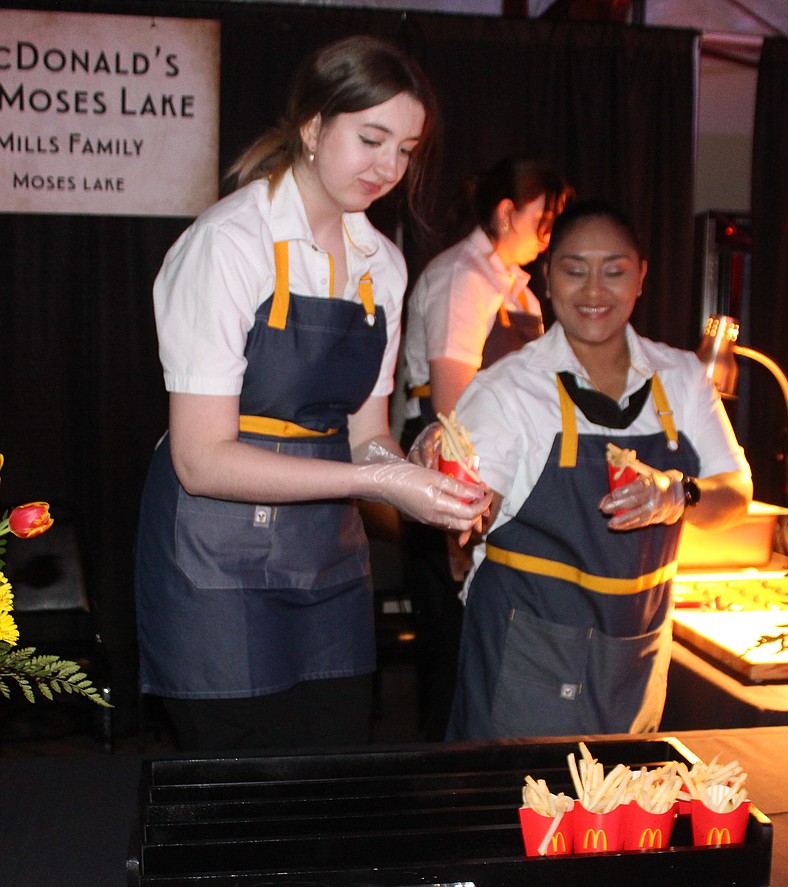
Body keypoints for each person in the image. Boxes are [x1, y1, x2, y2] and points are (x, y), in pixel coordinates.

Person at [134, 35, 491, 752]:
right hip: (216, 565)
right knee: (240, 803)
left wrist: (418, 472)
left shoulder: (381, 265)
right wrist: (377, 481)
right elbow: (201, 460)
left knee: (326, 785)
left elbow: (367, 433)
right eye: (372, 138)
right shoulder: (229, 245)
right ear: (311, 127)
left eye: (407, 148)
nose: (390, 167)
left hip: (327, 564)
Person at [439, 200, 753, 741]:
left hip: (634, 654)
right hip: (527, 655)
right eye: (574, 269)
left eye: (614, 270)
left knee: (621, 815)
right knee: (515, 815)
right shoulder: (508, 388)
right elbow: (461, 527)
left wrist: (678, 493)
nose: (594, 290)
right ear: (548, 276)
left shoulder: (681, 377)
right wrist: (457, 500)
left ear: (641, 277)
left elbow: (737, 492)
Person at [398, 158, 572, 739]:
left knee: (497, 644)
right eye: (543, 219)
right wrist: (457, 526)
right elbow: (453, 415)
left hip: (507, 481)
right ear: (505, 213)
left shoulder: (520, 290)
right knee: (451, 651)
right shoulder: (462, 277)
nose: (550, 234)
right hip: (450, 476)